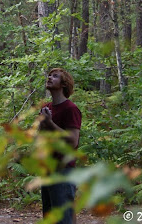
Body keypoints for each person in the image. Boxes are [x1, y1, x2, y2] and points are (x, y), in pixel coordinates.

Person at [39, 68, 82, 224]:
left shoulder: (71, 109)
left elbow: (73, 141)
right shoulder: (46, 107)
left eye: (55, 76)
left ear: (64, 84)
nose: (49, 78)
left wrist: (50, 123)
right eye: (49, 75)